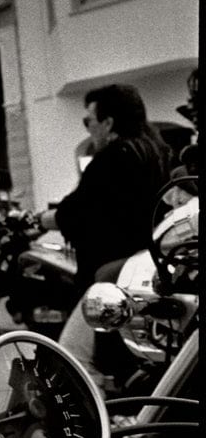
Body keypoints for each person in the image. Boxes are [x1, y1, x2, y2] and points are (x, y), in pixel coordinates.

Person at [38, 83, 173, 293]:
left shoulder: (111, 159)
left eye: (88, 121)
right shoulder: (156, 152)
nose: (88, 127)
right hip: (143, 267)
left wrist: (38, 220)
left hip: (108, 279)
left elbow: (73, 213)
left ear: (108, 123)